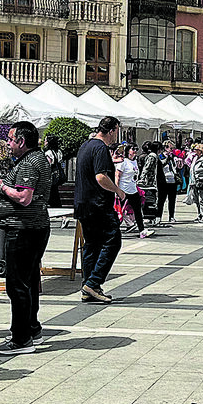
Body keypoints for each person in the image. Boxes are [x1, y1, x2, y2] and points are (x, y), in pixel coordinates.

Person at [0, 121, 52, 353]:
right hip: (33, 227)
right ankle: (32, 328)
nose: (9, 144)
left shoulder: (28, 163)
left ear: (22, 142)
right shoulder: (36, 159)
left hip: (24, 229)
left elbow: (23, 197)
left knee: (17, 285)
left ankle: (21, 338)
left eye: (12, 140)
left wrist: (0, 185)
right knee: (29, 280)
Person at [74, 117, 124, 304]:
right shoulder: (101, 148)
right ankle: (94, 282)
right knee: (113, 241)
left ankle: (89, 287)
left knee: (92, 245)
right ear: (111, 130)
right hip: (98, 205)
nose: (116, 135)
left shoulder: (86, 146)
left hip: (83, 204)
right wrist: (118, 191)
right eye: (117, 131)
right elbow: (101, 177)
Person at [116, 143, 150, 237]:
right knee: (119, 212)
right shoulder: (123, 162)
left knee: (138, 210)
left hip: (133, 189)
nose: (135, 151)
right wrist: (117, 190)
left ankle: (142, 230)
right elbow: (117, 176)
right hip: (123, 190)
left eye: (136, 149)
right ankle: (112, 231)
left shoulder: (134, 161)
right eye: (133, 149)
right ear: (128, 151)